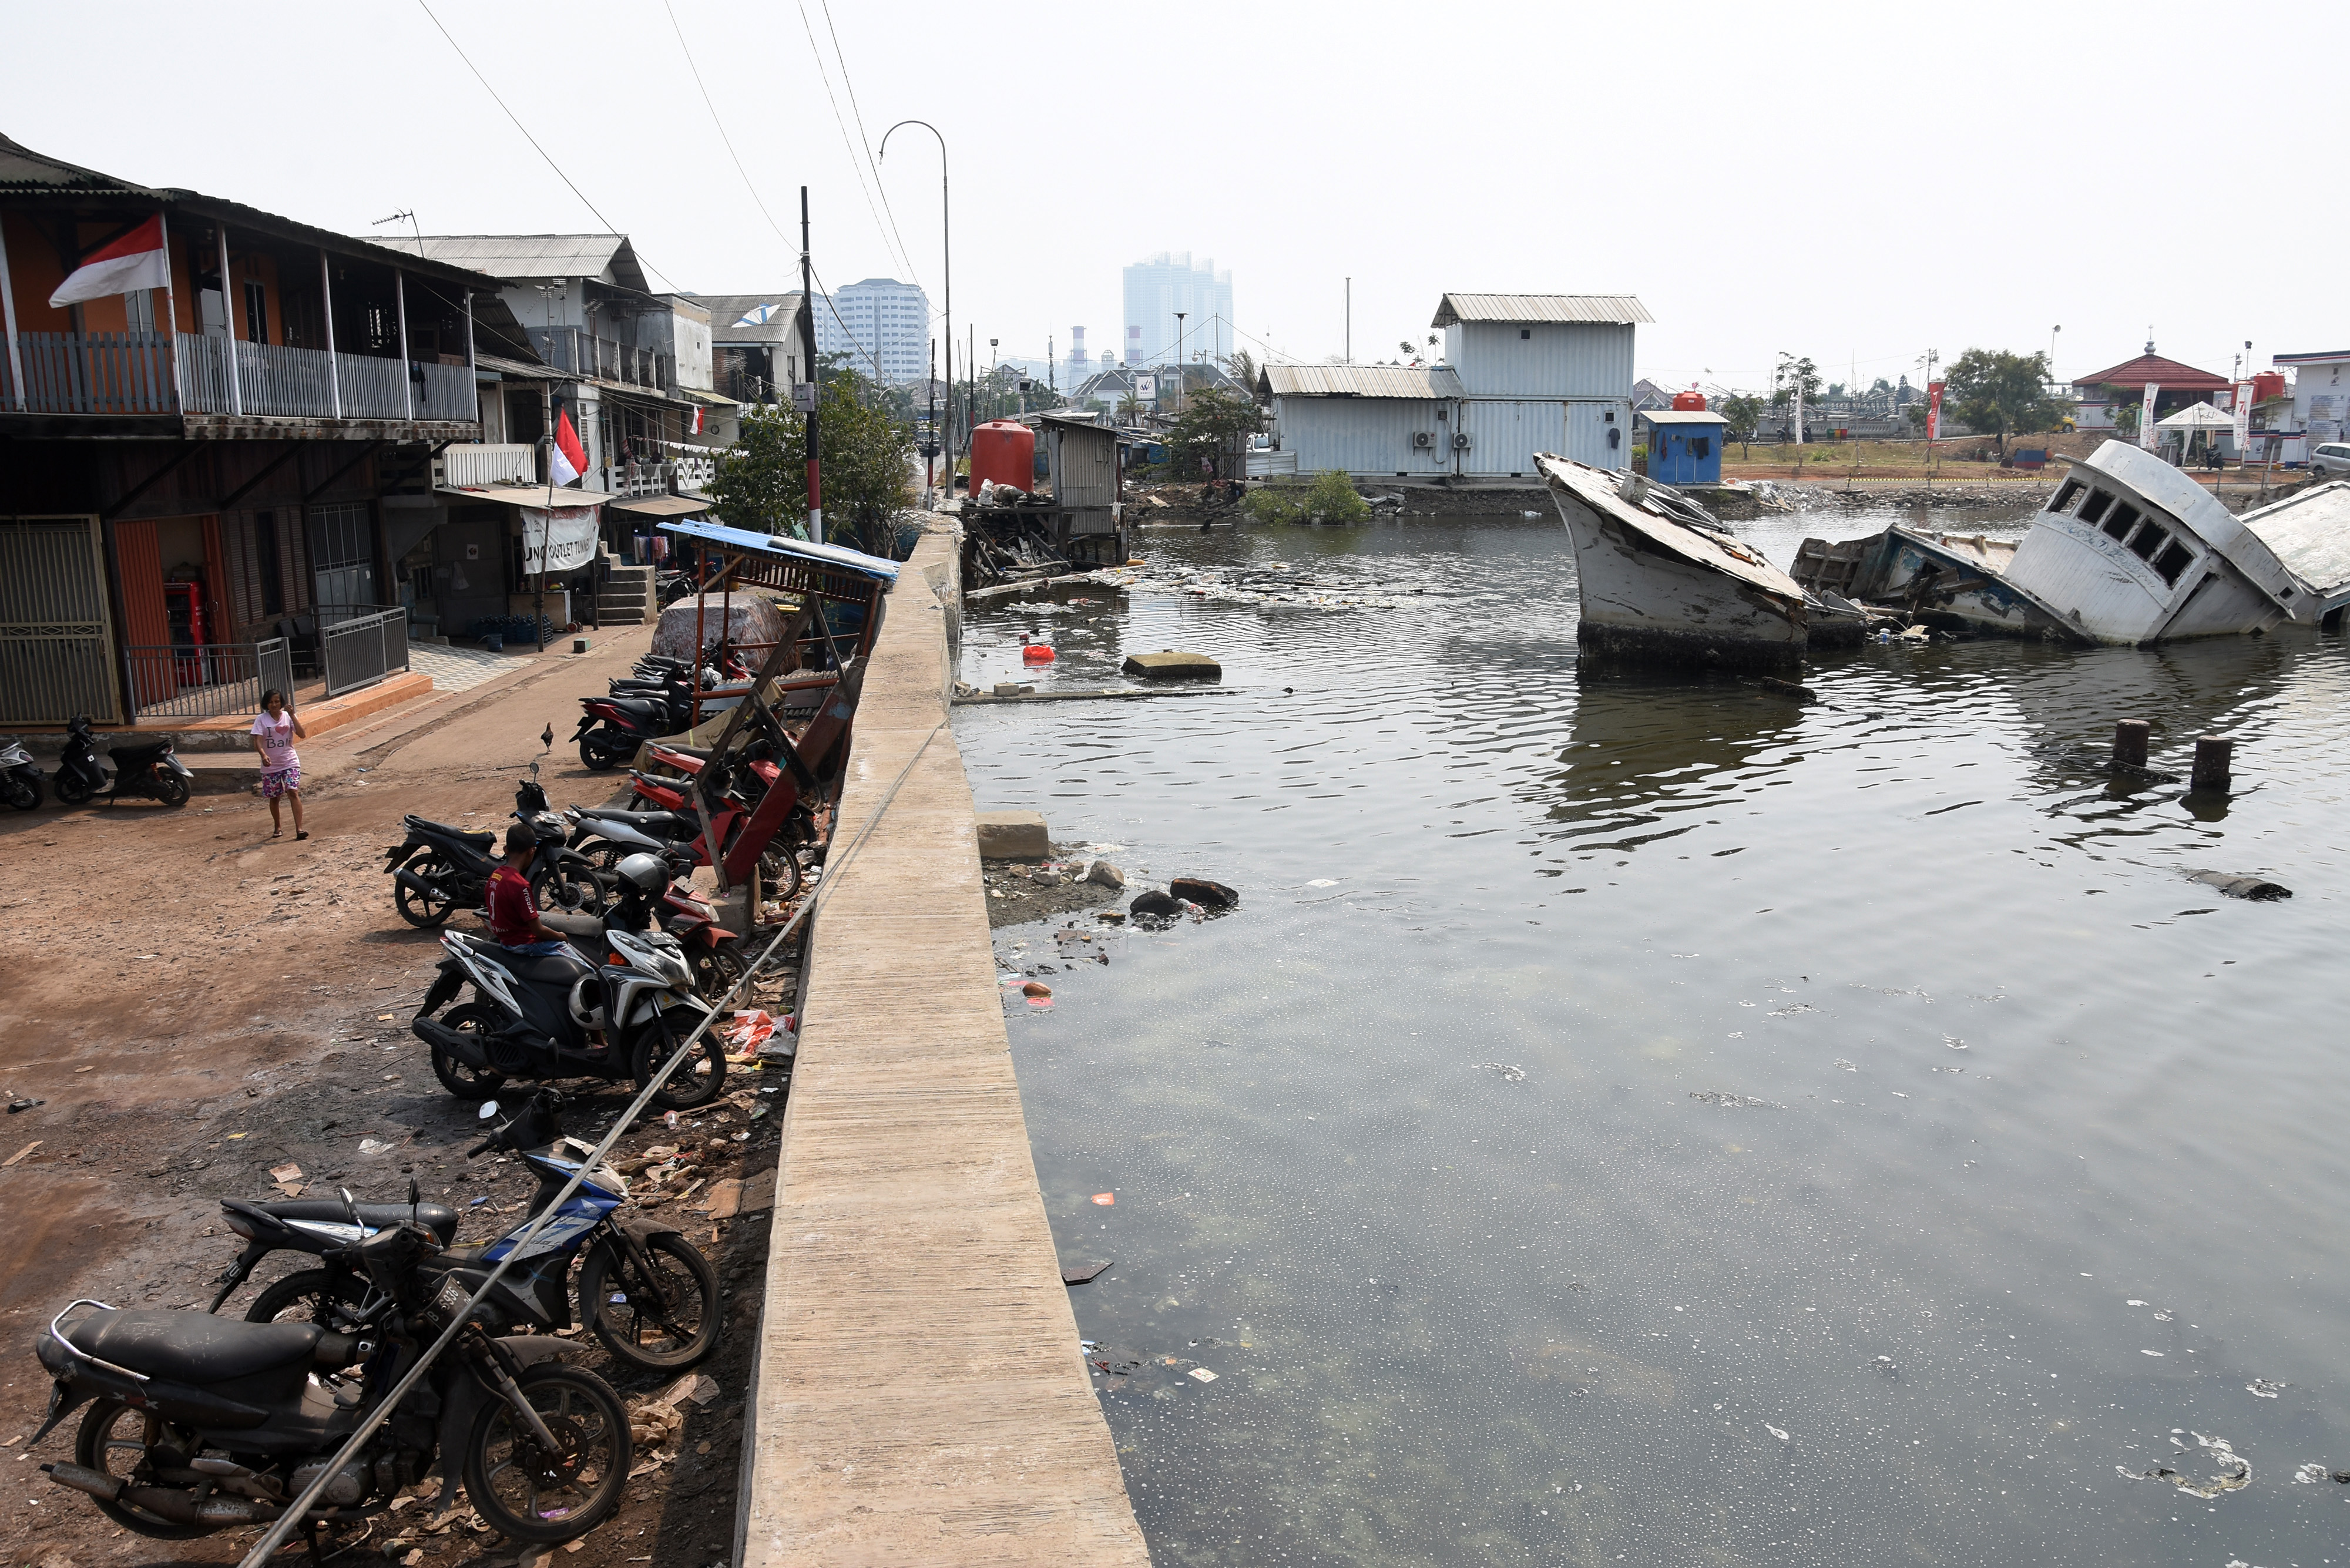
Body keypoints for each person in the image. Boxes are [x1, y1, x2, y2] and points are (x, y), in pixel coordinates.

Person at [485, 824, 570, 955]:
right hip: (525, 945)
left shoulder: (495, 876)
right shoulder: (520, 885)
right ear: (532, 851)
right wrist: (561, 936)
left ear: (506, 849)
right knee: (585, 968)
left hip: (506, 942)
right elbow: (538, 930)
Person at [250, 689, 307, 840]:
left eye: (277, 701)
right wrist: (263, 755)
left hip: (290, 761)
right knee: (275, 797)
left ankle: (299, 829)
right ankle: (278, 827)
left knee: (293, 791)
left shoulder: (288, 717)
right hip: (271, 766)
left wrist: (293, 715)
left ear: (282, 702)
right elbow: (258, 741)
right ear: (266, 704)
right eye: (271, 702)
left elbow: (302, 734)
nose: (274, 705)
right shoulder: (261, 720)